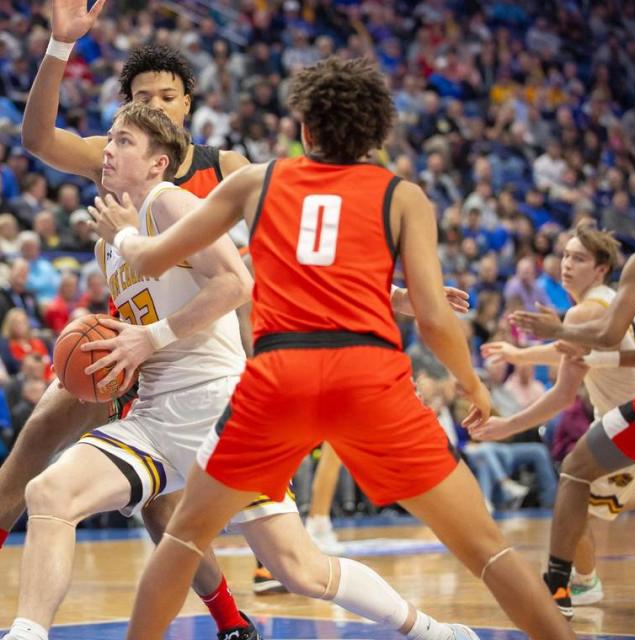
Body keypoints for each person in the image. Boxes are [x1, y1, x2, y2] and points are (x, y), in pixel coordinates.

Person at [89, 56, 572, 640]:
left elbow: (153, 257)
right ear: (376, 135)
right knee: (490, 552)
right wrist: (471, 385)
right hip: (369, 373)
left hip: (279, 376)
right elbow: (437, 320)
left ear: (304, 130)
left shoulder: (255, 180)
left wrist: (122, 234)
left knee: (183, 541)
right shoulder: (403, 196)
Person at [0, 100, 479, 640]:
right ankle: (27, 634)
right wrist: (116, 358)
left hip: (218, 410)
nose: (107, 149)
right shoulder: (108, 242)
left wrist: (148, 338)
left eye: (124, 141)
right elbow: (259, 265)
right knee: (50, 495)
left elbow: (237, 282)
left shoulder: (170, 203)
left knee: (298, 569)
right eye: (108, 138)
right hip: (155, 414)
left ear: (158, 163)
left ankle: (428, 630)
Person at [475, 225, 635, 610]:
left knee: (576, 493)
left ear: (602, 268)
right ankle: (586, 577)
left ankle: (582, 582)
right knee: (592, 497)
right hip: (616, 420)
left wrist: (506, 426)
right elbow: (569, 351)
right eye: (566, 256)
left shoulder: (587, 309)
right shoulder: (601, 302)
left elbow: (562, 394)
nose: (567, 265)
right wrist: (520, 355)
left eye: (579, 258)